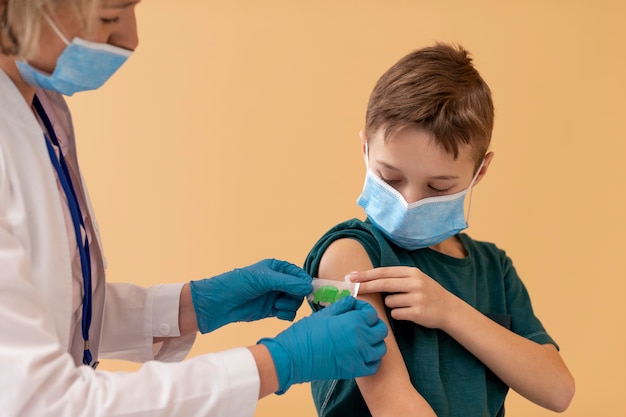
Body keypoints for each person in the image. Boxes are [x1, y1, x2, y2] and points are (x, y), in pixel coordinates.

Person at [0, 1, 388, 416]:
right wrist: (276, 363)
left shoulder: (41, 107)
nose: (130, 39)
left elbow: (49, 310)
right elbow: (41, 400)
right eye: (110, 17)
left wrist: (192, 306)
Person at [303, 43, 575, 416]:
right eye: (390, 177)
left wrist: (449, 311)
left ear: (480, 172)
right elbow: (394, 406)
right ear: (365, 147)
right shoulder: (346, 257)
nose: (410, 201)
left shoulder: (494, 269)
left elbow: (558, 390)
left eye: (438, 187)